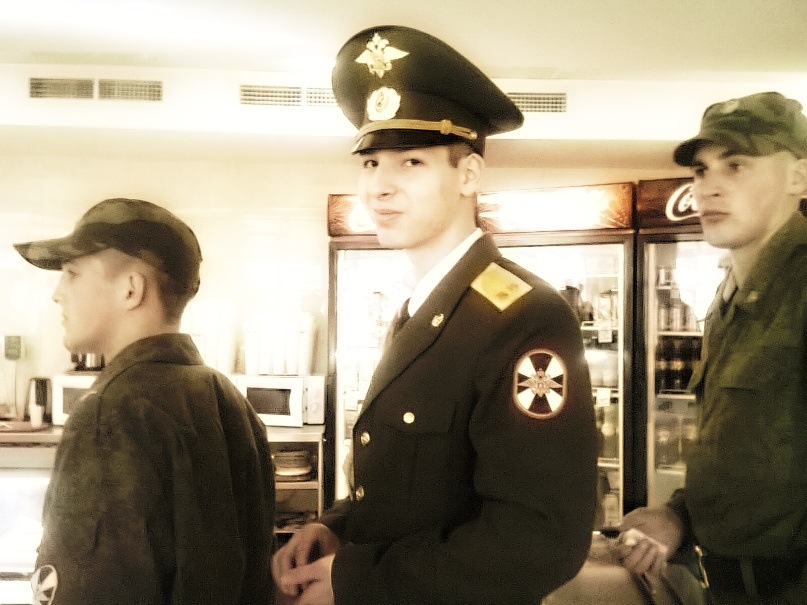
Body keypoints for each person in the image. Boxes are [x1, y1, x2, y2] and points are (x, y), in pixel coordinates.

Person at [272, 25, 598, 605]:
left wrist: (357, 579)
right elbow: (415, 487)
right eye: (370, 163)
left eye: (411, 162)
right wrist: (338, 526)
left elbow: (540, 538)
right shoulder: (421, 308)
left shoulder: (524, 317)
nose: (379, 187)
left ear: (468, 175)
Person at [13, 198, 276, 605]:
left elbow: (92, 591)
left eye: (72, 273)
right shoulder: (227, 398)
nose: (57, 294)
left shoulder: (110, 412)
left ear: (131, 289)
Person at [616, 92, 807, 604]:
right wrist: (677, 516)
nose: (709, 187)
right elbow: (744, 457)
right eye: (701, 170)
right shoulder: (730, 299)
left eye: (736, 165)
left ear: (799, 177)